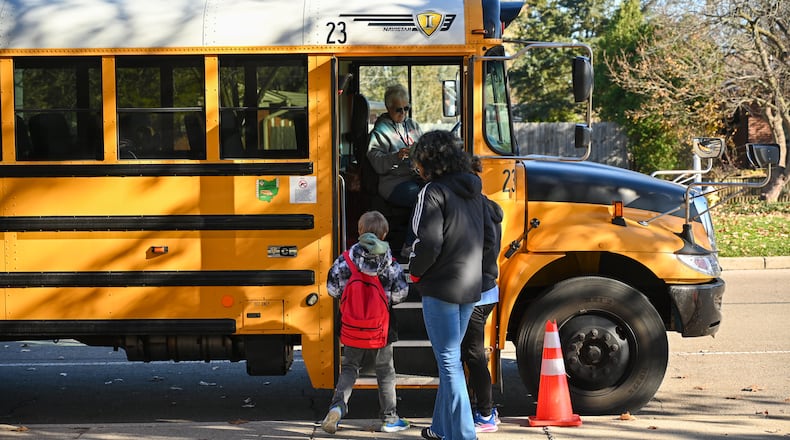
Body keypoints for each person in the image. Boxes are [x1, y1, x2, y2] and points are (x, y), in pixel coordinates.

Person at [407, 130, 489, 440]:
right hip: (470, 285)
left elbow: (428, 242)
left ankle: (464, 435)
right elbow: (488, 237)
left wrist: (415, 272)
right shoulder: (474, 190)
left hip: (440, 285)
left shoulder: (432, 191)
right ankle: (441, 429)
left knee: (448, 362)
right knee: (451, 361)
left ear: (427, 160)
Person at [320, 210, 410, 435]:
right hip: (381, 328)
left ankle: (337, 409)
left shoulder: (346, 259)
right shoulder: (389, 261)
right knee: (385, 371)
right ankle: (390, 418)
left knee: (350, 368)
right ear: (385, 233)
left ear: (359, 231)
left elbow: (332, 289)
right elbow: (401, 293)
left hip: (351, 325)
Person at [461, 156, 504, 433]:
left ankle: (485, 414)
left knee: (473, 353)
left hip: (474, 291)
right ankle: (483, 408)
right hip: (488, 289)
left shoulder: (471, 208)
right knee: (473, 353)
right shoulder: (490, 207)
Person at [366, 84, 424, 209]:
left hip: (418, 177)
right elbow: (377, 162)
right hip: (394, 183)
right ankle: (416, 229)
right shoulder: (381, 131)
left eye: (406, 108)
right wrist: (397, 156)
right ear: (388, 108)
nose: (403, 113)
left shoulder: (413, 126)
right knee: (422, 197)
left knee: (441, 190)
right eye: (398, 109)